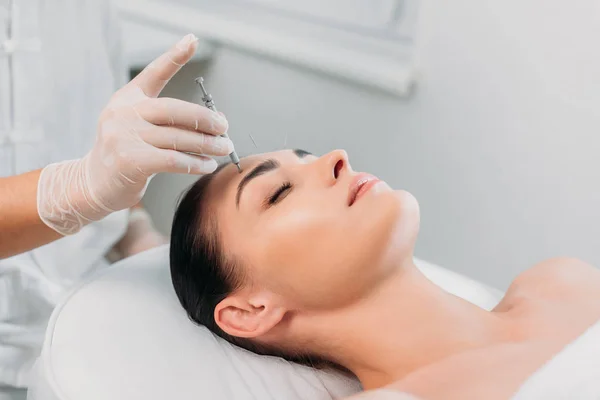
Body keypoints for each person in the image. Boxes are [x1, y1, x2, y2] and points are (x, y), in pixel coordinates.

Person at [170, 149, 600, 399]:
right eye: (279, 193)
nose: (337, 157)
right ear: (249, 310)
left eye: (308, 155)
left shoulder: (563, 282)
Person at [0, 2, 232, 397]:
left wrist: (138, 233)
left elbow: (100, 147)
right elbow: (91, 177)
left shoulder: (90, 10)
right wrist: (78, 188)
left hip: (83, 310)